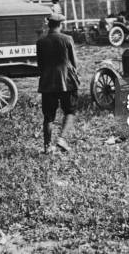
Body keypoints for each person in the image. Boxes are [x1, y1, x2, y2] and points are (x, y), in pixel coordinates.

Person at [36, 13, 79, 153]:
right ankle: (62, 139)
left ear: (49, 24)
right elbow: (74, 62)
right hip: (67, 81)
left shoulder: (41, 42)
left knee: (48, 116)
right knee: (70, 111)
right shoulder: (67, 39)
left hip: (47, 82)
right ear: (60, 25)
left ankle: (47, 147)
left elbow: (40, 65)